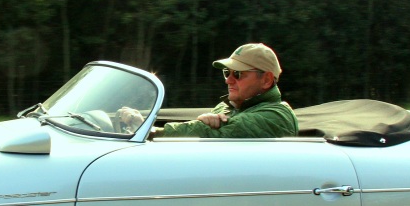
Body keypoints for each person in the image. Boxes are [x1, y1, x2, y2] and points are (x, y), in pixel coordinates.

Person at [123, 43, 298, 138]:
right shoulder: (228, 107)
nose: (228, 80)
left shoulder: (277, 116)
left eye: (237, 74)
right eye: (226, 72)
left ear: (266, 80)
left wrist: (152, 131)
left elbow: (212, 131)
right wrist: (206, 120)